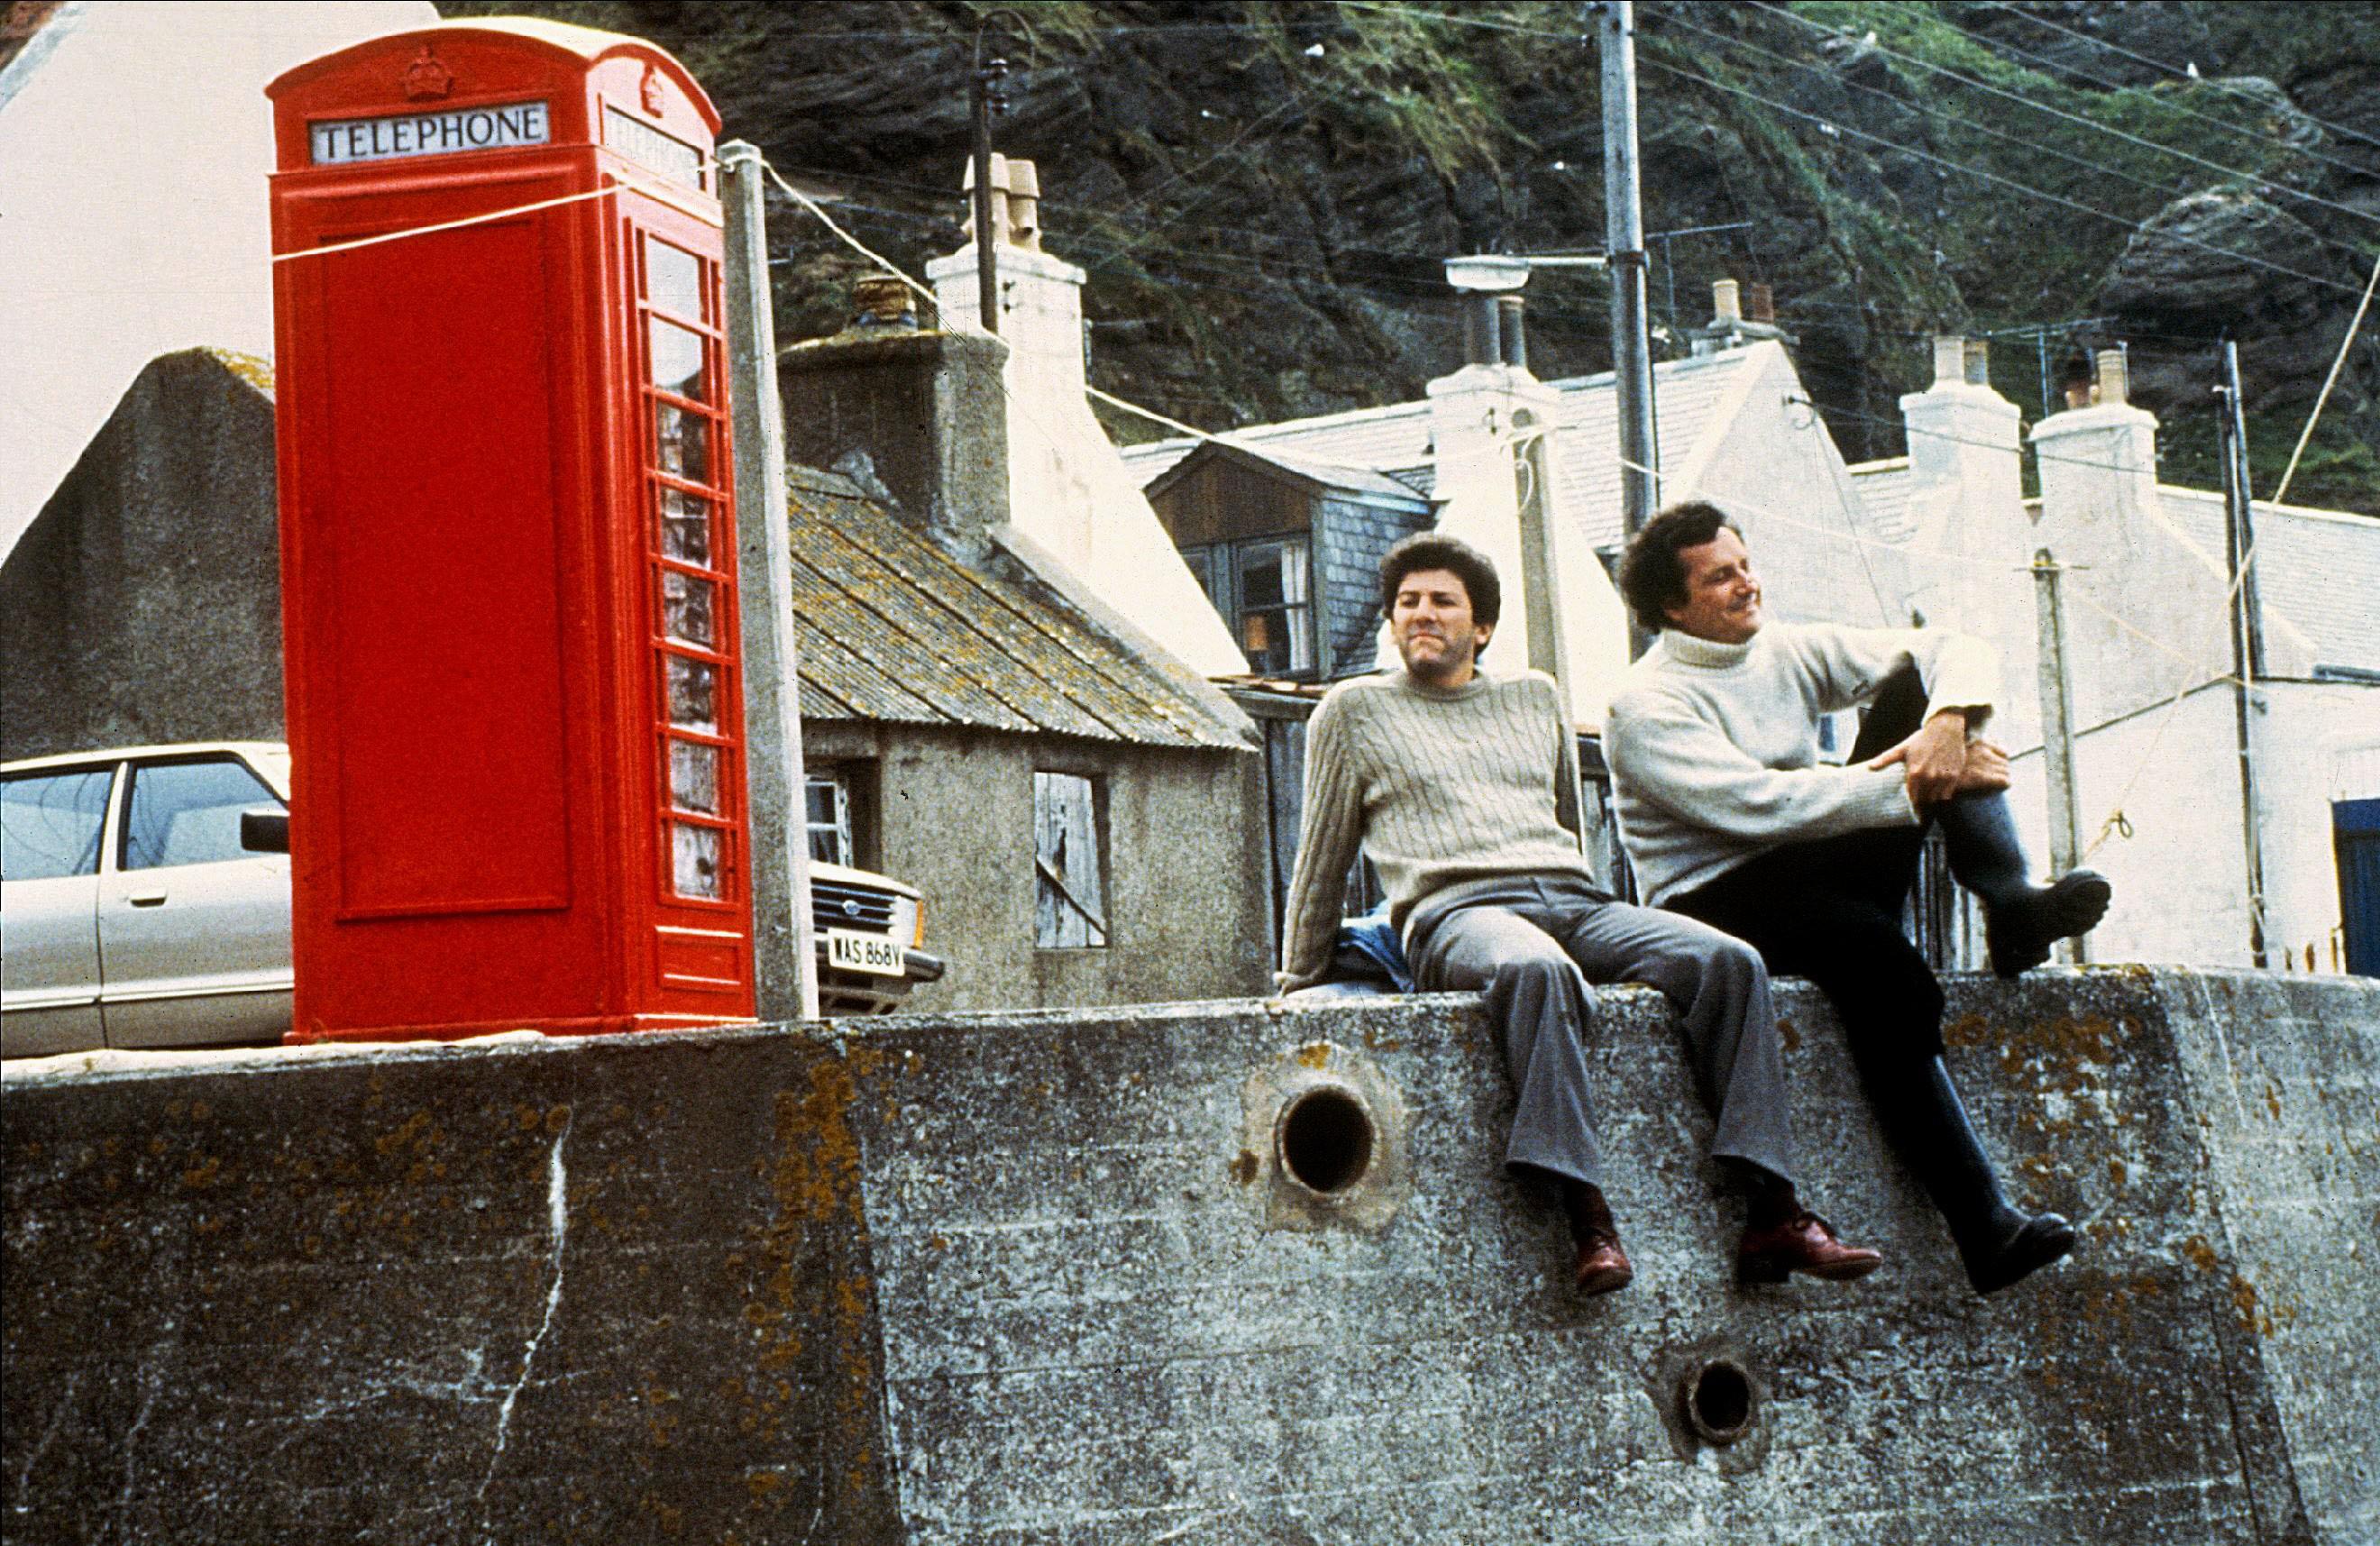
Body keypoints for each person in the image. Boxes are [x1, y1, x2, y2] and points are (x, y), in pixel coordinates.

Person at [1277, 532, 1881, 1294]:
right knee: (1538, 970)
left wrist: (1591, 906)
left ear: (1482, 626)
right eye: (1407, 602)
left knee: (1727, 961)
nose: (1421, 613)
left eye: (1442, 601)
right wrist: (1297, 979)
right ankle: (1588, 1219)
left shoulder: (1535, 696)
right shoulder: (1353, 710)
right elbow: (1321, 855)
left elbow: (1566, 818)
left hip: (1571, 895)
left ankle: (1775, 1211)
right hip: (1455, 911)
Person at [1605, 500, 2110, 1295]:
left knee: (1927, 691)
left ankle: (2012, 904)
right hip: (1715, 893)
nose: (1748, 584)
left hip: (1811, 857)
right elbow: (1758, 806)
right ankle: (1984, 1224)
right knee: (1873, 955)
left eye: (1746, 565)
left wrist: (1946, 727)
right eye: (1721, 577)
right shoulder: (1643, 706)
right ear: (1672, 605)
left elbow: (1954, 646)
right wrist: (1917, 777)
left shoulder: (1782, 647)